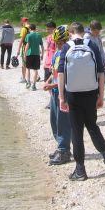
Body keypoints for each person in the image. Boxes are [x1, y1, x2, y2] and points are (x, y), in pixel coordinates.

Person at [58, 22, 105, 181]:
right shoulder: (91, 44)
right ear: (82, 31)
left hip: (73, 94)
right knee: (92, 126)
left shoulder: (66, 47)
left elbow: (61, 74)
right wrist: (101, 95)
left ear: (70, 32)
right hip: (91, 93)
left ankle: (80, 170)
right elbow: (100, 72)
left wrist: (61, 97)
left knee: (77, 131)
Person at [43, 25, 72, 165]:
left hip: (62, 92)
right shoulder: (56, 53)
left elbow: (65, 78)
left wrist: (52, 85)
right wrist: (47, 81)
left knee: (63, 122)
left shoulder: (67, 54)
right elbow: (53, 72)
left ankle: (64, 150)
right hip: (53, 92)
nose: (59, 45)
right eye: (57, 43)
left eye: (61, 43)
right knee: (54, 121)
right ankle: (60, 147)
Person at [23, 23, 44, 90]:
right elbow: (42, 46)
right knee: (35, 70)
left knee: (28, 69)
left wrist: (24, 54)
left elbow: (27, 45)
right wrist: (42, 54)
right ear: (35, 28)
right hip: (37, 54)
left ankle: (28, 82)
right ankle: (34, 85)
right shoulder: (39, 35)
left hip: (29, 54)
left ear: (30, 29)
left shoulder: (28, 35)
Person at [15, 17, 30, 84]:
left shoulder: (24, 29)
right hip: (32, 47)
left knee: (24, 64)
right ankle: (37, 76)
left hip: (25, 48)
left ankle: (23, 78)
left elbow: (21, 40)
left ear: (23, 22)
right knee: (31, 62)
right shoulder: (32, 27)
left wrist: (18, 49)